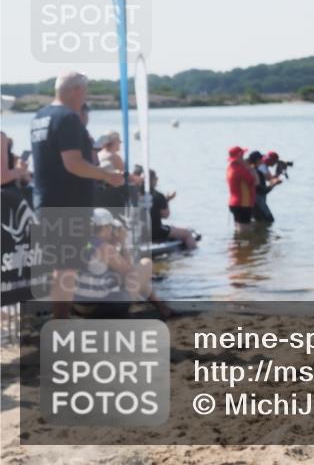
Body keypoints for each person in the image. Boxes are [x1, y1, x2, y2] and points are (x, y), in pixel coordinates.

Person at [30, 72, 124, 318]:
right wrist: (105, 175)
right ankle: (61, 325)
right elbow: (73, 163)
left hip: (47, 200)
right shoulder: (68, 118)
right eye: (85, 91)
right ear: (76, 91)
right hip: (66, 202)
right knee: (66, 268)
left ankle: (62, 321)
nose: (86, 97)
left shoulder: (40, 116)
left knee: (62, 267)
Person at [74, 209, 170, 318]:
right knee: (146, 264)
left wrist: (114, 245)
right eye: (111, 227)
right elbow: (130, 273)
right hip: (97, 310)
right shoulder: (105, 248)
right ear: (105, 227)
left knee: (134, 277)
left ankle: (161, 306)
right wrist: (123, 242)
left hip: (78, 306)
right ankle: (161, 307)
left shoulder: (86, 242)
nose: (112, 230)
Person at [147, 169, 197, 248]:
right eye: (156, 178)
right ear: (152, 180)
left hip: (139, 233)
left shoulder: (134, 194)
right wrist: (166, 201)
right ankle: (193, 254)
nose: (157, 180)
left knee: (171, 227)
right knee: (187, 234)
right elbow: (166, 215)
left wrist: (166, 200)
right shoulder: (158, 195)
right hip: (156, 232)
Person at [226, 146, 256, 231]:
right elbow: (255, 181)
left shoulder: (230, 168)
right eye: (242, 156)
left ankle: (238, 243)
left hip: (234, 203)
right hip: (243, 204)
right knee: (245, 232)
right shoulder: (241, 170)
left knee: (239, 229)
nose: (244, 158)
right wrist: (250, 168)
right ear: (238, 157)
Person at [247, 150, 280, 223]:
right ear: (258, 160)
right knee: (269, 221)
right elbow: (262, 189)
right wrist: (274, 184)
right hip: (257, 201)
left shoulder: (252, 169)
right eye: (261, 159)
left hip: (250, 201)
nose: (263, 160)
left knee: (259, 222)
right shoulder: (257, 170)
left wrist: (274, 179)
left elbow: (268, 179)